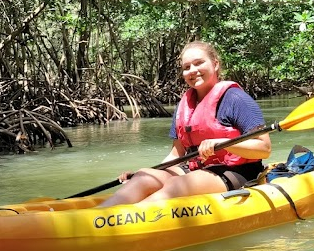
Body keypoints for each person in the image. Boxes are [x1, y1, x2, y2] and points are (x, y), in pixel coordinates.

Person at [98, 41, 271, 207]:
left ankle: (116, 223)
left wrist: (221, 144)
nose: (192, 71)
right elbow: (176, 155)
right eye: (186, 67)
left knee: (178, 185)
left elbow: (264, 148)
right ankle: (97, 217)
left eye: (198, 63)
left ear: (215, 64)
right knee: (144, 176)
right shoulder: (185, 105)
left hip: (237, 171)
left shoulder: (235, 99)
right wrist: (150, 172)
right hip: (196, 169)